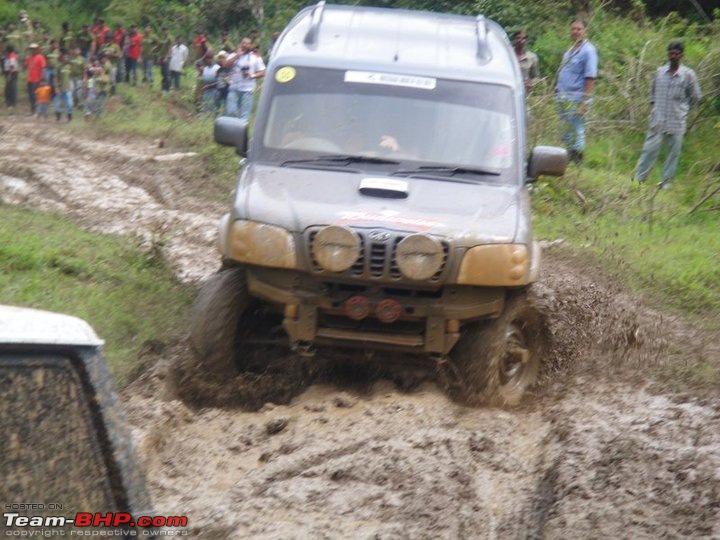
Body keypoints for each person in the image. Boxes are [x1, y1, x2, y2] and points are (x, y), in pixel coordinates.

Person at [632, 41, 701, 189]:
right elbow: (652, 95)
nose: (673, 56)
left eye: (676, 53)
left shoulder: (688, 75)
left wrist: (684, 111)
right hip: (657, 120)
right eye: (670, 53)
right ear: (667, 54)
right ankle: (638, 181)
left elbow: (695, 97)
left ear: (682, 55)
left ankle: (665, 184)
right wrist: (653, 111)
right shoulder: (659, 72)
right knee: (648, 151)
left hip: (677, 122)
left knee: (673, 154)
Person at [555, 18, 598, 164]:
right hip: (563, 97)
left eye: (578, 29)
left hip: (576, 98)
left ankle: (578, 163)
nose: (575, 31)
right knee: (566, 131)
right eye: (573, 29)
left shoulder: (589, 51)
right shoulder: (570, 50)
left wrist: (584, 103)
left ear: (585, 31)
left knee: (577, 130)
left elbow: (590, 78)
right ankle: (568, 159)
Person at [224, 37, 265, 122]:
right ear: (240, 44)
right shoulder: (233, 54)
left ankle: (240, 133)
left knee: (244, 115)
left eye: (247, 43)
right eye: (243, 43)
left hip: (247, 89)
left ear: (250, 45)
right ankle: (232, 131)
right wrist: (237, 56)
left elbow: (263, 72)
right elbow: (225, 64)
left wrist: (252, 75)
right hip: (234, 88)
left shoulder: (255, 57)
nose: (245, 45)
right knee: (231, 112)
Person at [24, 43, 46, 114]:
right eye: (31, 49)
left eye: (34, 49)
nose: (33, 50)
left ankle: (38, 110)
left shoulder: (40, 57)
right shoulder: (29, 58)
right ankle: (32, 110)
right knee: (30, 95)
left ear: (37, 49)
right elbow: (26, 67)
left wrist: (42, 78)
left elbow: (43, 68)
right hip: (29, 79)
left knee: (35, 95)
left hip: (37, 79)